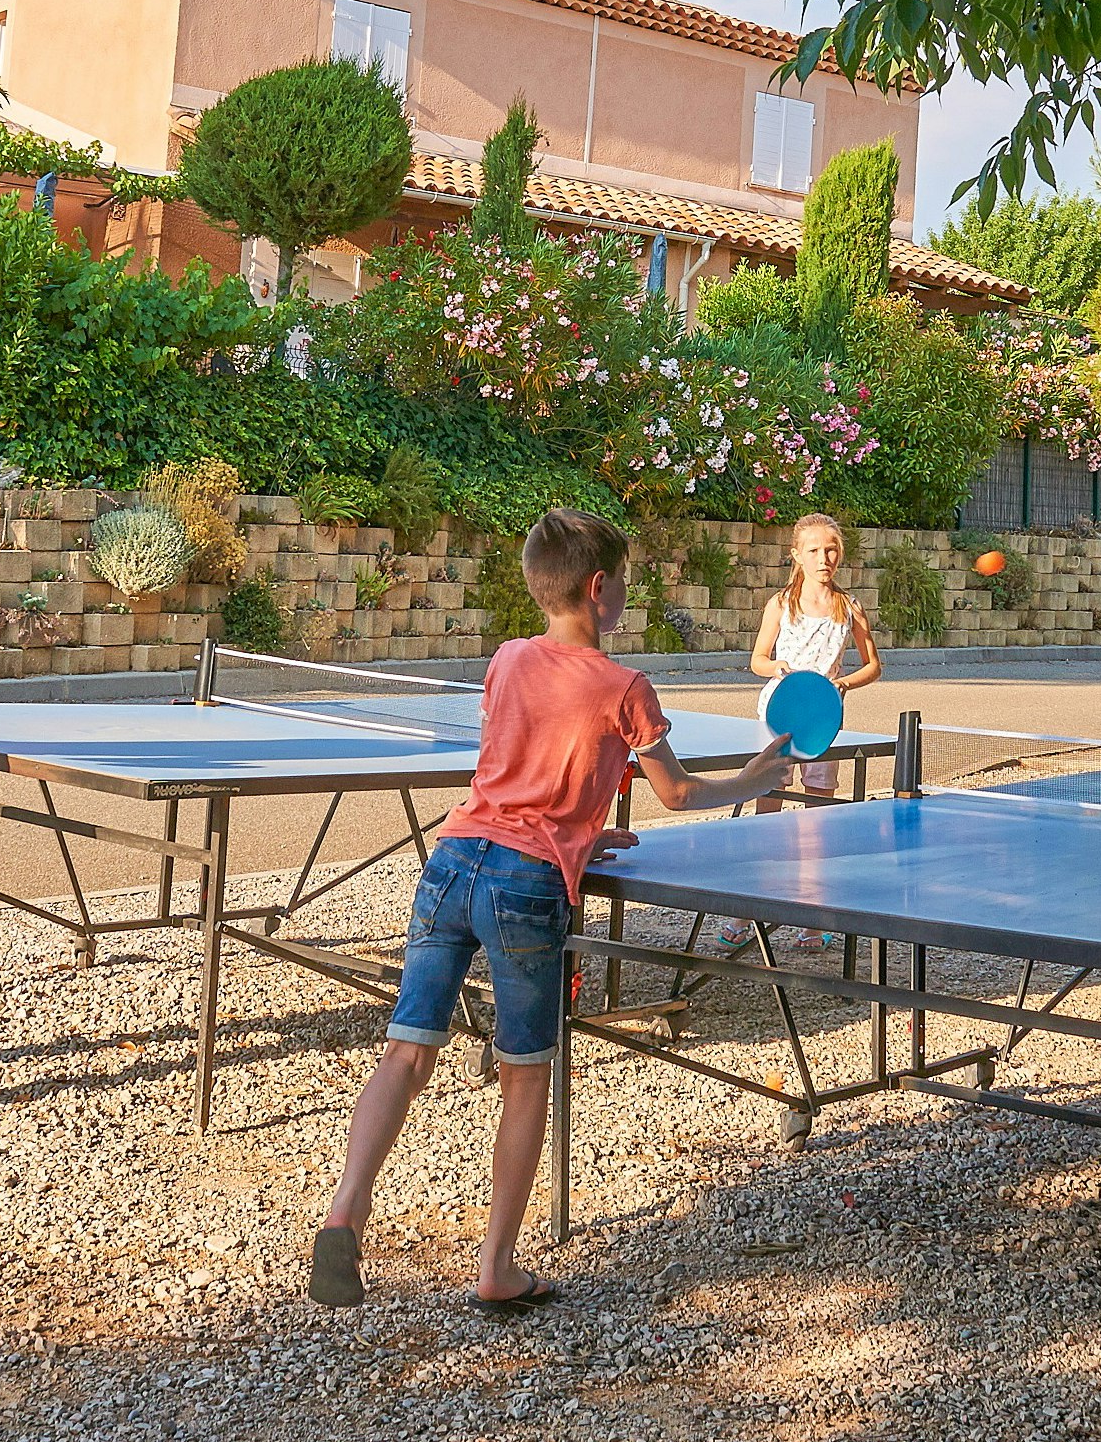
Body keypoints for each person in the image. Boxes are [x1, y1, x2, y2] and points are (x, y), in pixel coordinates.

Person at [308, 509, 797, 1313]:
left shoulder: (506, 659)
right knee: (525, 1073)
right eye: (626, 585)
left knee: (406, 1051)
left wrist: (578, 832)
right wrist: (754, 777)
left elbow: (516, 765)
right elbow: (675, 792)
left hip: (454, 859)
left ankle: (345, 1212)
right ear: (600, 589)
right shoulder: (625, 687)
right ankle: (497, 1267)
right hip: (524, 888)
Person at [717, 511, 882, 953]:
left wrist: (842, 683)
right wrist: (778, 668)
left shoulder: (850, 608)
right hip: (779, 715)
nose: (823, 557)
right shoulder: (781, 603)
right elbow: (757, 661)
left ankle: (813, 915)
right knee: (766, 810)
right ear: (797, 555)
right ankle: (747, 908)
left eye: (830, 549)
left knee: (817, 820)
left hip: (823, 721)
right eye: (814, 550)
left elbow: (872, 666)